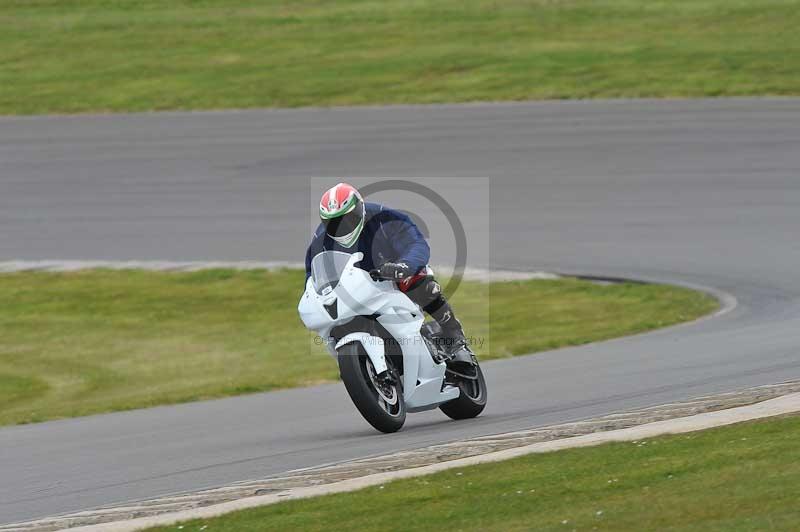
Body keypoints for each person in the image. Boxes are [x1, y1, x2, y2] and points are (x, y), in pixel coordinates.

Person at [305, 182, 476, 374]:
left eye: (347, 220)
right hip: (357, 288)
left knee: (417, 281)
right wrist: (313, 294)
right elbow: (312, 273)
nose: (340, 228)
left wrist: (404, 266)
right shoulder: (321, 240)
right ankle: (361, 367)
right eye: (333, 223)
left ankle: (453, 334)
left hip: (392, 274)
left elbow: (416, 244)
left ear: (360, 209)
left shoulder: (385, 219)